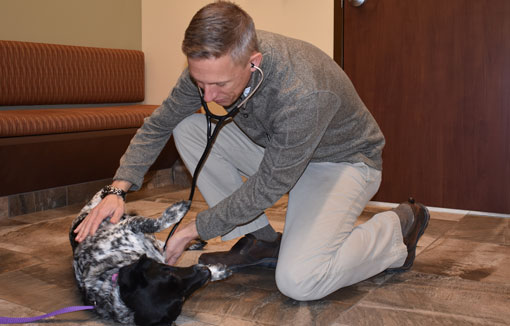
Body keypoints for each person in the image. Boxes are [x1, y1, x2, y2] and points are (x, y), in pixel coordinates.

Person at [75, 1, 429, 301]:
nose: (207, 96)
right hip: (280, 152)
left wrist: (194, 228)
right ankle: (261, 241)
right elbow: (160, 123)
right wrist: (117, 189)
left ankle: (397, 229)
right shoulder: (211, 69)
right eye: (200, 82)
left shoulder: (302, 92)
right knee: (188, 127)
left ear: (253, 62)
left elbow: (269, 185)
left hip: (341, 162)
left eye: (219, 85)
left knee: (300, 281)